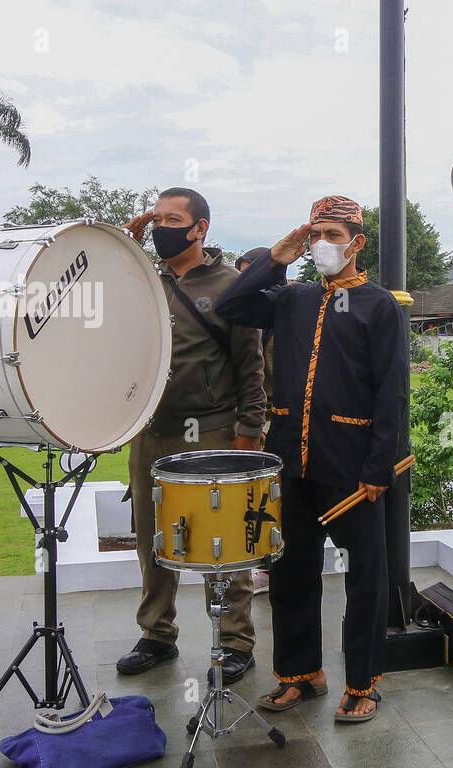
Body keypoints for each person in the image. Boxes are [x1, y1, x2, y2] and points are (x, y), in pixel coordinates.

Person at [215, 196, 407, 723]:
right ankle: (301, 674)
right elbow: (232, 306)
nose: (322, 242)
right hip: (290, 464)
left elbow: (391, 392)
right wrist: (276, 257)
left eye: (333, 233)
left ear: (357, 242)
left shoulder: (379, 305)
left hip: (351, 468)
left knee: (365, 578)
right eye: (315, 232)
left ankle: (363, 682)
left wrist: (377, 469)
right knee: (290, 572)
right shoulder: (292, 298)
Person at [114, 188, 267, 685]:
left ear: (200, 228)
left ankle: (234, 640)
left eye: (172, 219)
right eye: (156, 219)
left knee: (217, 538)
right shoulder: (143, 282)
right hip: (150, 431)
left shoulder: (231, 285)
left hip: (212, 431)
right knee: (150, 537)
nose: (161, 227)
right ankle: (157, 633)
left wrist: (250, 430)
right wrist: (125, 245)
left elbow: (251, 364)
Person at [237, 245, 282, 598]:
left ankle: (270, 568)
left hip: (278, 417)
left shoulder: (285, 309)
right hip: (254, 418)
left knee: (273, 498)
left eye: (251, 272)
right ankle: (261, 565)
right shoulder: (245, 317)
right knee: (254, 498)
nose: (245, 281)